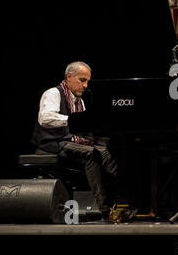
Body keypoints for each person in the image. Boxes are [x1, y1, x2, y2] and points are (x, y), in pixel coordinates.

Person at [31, 61, 118, 219]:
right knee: (94, 154)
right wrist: (72, 120)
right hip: (54, 142)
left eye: (87, 81)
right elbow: (45, 118)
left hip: (71, 141)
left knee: (108, 149)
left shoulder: (80, 101)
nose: (85, 85)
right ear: (69, 77)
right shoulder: (53, 93)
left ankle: (117, 201)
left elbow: (84, 129)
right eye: (82, 80)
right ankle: (107, 209)